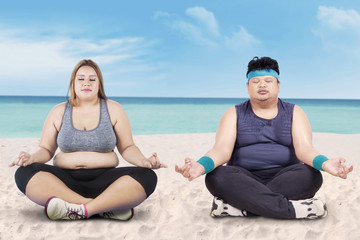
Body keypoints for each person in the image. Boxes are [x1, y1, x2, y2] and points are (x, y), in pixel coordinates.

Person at [175, 56, 353, 219]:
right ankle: (293, 210)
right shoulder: (233, 113)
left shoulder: (295, 112)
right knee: (216, 176)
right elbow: (221, 150)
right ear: (247, 86)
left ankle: (238, 207)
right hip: (243, 178)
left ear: (278, 85)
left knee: (311, 175)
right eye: (255, 81)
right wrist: (200, 166)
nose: (262, 85)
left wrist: (326, 163)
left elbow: (305, 150)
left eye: (268, 80)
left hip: (285, 176)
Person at [10, 59, 166, 221]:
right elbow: (46, 149)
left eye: (92, 79)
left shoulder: (114, 109)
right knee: (24, 172)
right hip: (64, 183)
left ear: (99, 84)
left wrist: (144, 161)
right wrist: (31, 158)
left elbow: (127, 147)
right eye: (81, 78)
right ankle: (100, 207)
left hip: (106, 183)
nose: (87, 83)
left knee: (147, 176)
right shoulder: (59, 111)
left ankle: (80, 209)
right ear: (73, 83)